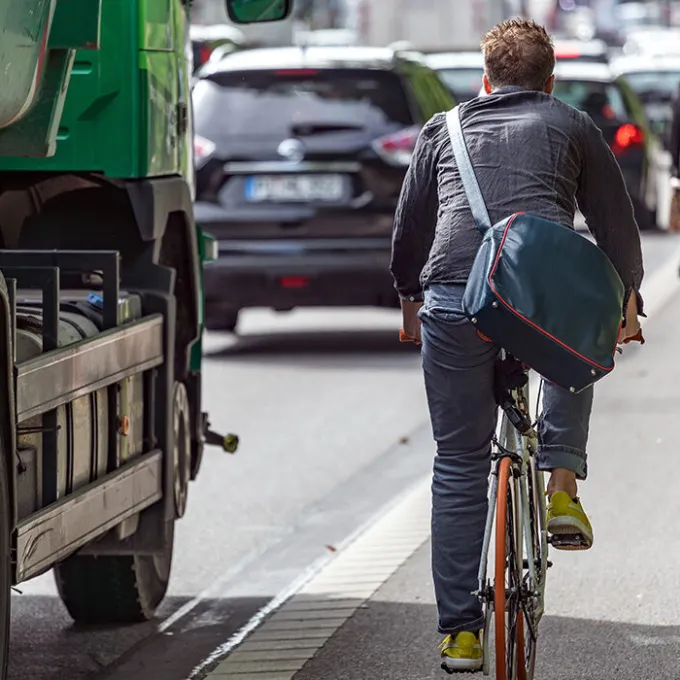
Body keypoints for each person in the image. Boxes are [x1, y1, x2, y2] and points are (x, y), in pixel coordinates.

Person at [390, 18, 644, 673]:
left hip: (454, 296)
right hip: (534, 293)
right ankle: (561, 482)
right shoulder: (573, 125)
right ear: (551, 80)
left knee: (457, 463)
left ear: (486, 78)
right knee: (573, 330)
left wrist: (408, 299)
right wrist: (628, 301)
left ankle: (462, 635)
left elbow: (411, 225)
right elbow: (615, 223)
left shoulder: (442, 129)